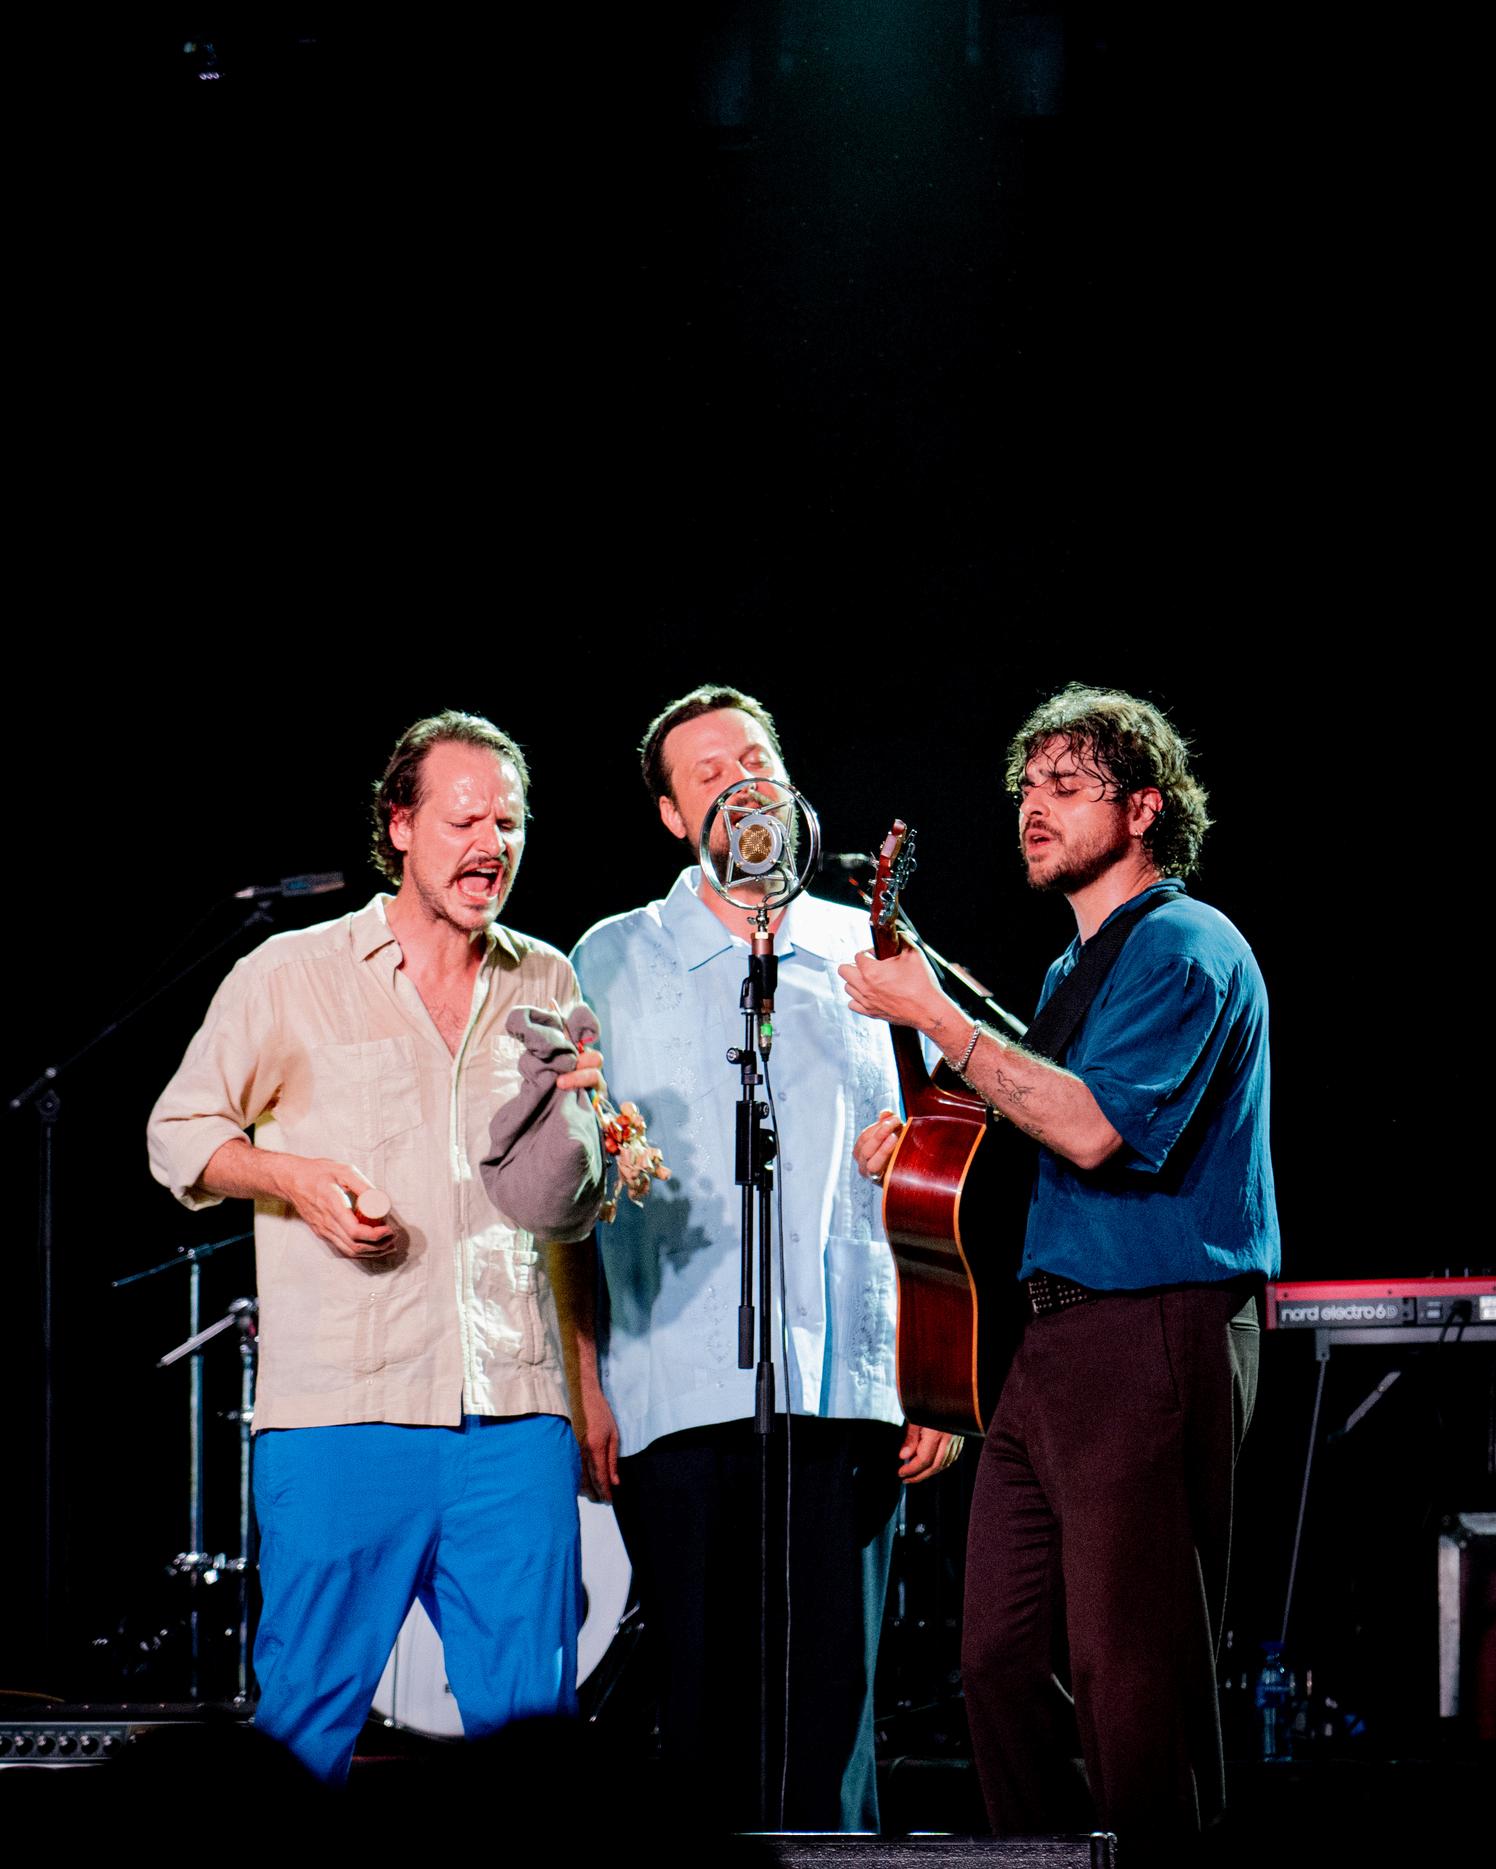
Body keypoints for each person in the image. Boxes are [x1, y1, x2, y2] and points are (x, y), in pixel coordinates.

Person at [841, 684, 1278, 1852]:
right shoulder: (1065, 975)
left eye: (1067, 786)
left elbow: (1090, 1130)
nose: (1033, 807)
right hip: (1051, 1342)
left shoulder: (1183, 946)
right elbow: (1026, 1137)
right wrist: (920, 1141)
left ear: (1142, 808)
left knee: (1131, 1673)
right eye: (1026, 787)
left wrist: (938, 1019)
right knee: (996, 1657)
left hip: (1150, 1327)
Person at [147, 710, 607, 1783]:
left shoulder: (546, 979)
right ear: (399, 825)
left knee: (535, 1744)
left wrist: (585, 1378)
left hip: (513, 1412)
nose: (490, 844)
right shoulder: (289, 972)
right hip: (343, 1414)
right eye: (463, 821)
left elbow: (568, 1216)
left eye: (508, 822)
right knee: (304, 1734)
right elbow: (178, 1133)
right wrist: (294, 1179)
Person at [568, 685, 957, 1831]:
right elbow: (565, 1189)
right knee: (698, 1718)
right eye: (706, 773)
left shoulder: (868, 947)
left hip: (846, 1387)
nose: (739, 783)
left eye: (755, 759)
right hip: (670, 1388)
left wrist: (935, 1368)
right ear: (668, 814)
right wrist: (581, 1373)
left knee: (832, 1718)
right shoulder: (611, 957)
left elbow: (953, 1143)